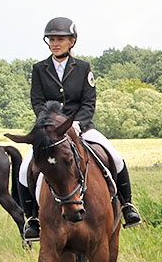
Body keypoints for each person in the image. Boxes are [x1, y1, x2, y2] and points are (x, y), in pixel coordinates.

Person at [17, 17, 142, 241]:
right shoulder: (39, 69)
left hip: (81, 127)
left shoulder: (83, 67)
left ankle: (127, 206)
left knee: (115, 156)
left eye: (61, 39)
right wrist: (51, 125)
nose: (56, 43)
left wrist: (78, 123)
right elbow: (37, 102)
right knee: (25, 168)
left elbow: (89, 101)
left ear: (72, 41)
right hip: (51, 132)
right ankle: (32, 219)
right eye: (52, 40)